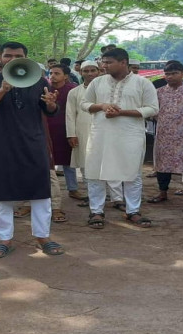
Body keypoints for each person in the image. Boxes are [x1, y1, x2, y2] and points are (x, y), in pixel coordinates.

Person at [0, 42, 64, 258]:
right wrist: (2, 90)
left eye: (18, 55)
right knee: (1, 192)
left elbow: (50, 111)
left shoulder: (38, 79)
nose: (12, 59)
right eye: (7, 55)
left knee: (40, 191)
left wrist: (51, 103)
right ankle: (4, 239)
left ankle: (43, 237)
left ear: (26, 58)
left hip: (33, 141)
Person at [81, 48, 159, 230]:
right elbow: (84, 104)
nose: (103, 65)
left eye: (108, 62)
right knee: (95, 173)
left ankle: (133, 211)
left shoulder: (142, 83)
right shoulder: (97, 82)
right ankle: (96, 211)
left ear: (123, 62)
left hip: (130, 136)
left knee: (132, 174)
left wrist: (121, 112)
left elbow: (153, 108)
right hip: (100, 134)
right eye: (103, 62)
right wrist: (102, 106)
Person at [149, 61, 183, 203]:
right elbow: (153, 112)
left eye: (174, 73)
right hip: (164, 136)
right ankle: (162, 193)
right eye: (167, 74)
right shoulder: (158, 93)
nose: (170, 77)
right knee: (163, 165)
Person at [66, 62, 100, 200]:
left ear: (98, 71)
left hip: (104, 132)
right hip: (82, 132)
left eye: (93, 70)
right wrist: (71, 134)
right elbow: (70, 114)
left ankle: (114, 197)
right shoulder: (74, 92)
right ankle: (92, 197)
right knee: (86, 164)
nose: (90, 74)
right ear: (81, 73)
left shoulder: (106, 90)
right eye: (86, 71)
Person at [46, 65, 78, 203]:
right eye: (51, 73)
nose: (52, 76)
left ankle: (73, 188)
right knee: (48, 160)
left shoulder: (72, 90)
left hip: (66, 129)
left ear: (65, 76)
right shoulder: (45, 89)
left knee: (68, 160)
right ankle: (48, 191)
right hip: (47, 129)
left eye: (57, 73)